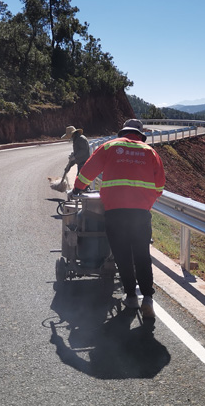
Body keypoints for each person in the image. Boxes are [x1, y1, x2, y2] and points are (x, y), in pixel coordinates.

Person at [70, 119, 165, 319]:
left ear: (122, 133)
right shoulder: (150, 152)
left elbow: (88, 170)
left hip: (115, 211)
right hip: (140, 213)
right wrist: (145, 202)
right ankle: (147, 297)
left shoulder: (110, 146)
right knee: (141, 255)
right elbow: (159, 187)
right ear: (140, 135)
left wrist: (78, 188)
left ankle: (131, 297)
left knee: (122, 255)